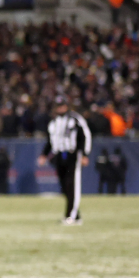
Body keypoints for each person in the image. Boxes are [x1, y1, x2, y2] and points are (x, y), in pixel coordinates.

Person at [38, 96, 91, 225]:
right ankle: (75, 215)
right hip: (59, 156)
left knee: (72, 185)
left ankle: (70, 216)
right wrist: (44, 155)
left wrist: (84, 154)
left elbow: (85, 136)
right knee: (65, 187)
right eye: (58, 105)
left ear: (67, 106)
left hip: (72, 155)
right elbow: (51, 141)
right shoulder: (54, 122)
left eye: (62, 105)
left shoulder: (75, 119)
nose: (60, 108)